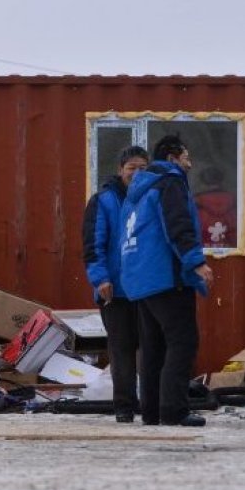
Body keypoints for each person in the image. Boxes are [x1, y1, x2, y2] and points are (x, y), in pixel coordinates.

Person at [120, 134, 214, 427]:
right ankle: (174, 410)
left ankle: (151, 412)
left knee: (153, 349)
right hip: (166, 277)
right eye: (186, 157)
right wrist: (196, 262)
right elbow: (178, 224)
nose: (190, 163)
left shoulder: (139, 190)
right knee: (182, 342)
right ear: (173, 158)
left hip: (141, 280)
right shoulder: (170, 182)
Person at [82, 145, 149, 423]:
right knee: (121, 350)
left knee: (149, 348)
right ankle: (124, 406)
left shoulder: (152, 199)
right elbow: (93, 245)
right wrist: (100, 279)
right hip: (115, 290)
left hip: (147, 288)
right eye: (131, 167)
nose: (137, 173)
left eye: (143, 168)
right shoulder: (104, 201)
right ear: (120, 170)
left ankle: (150, 403)